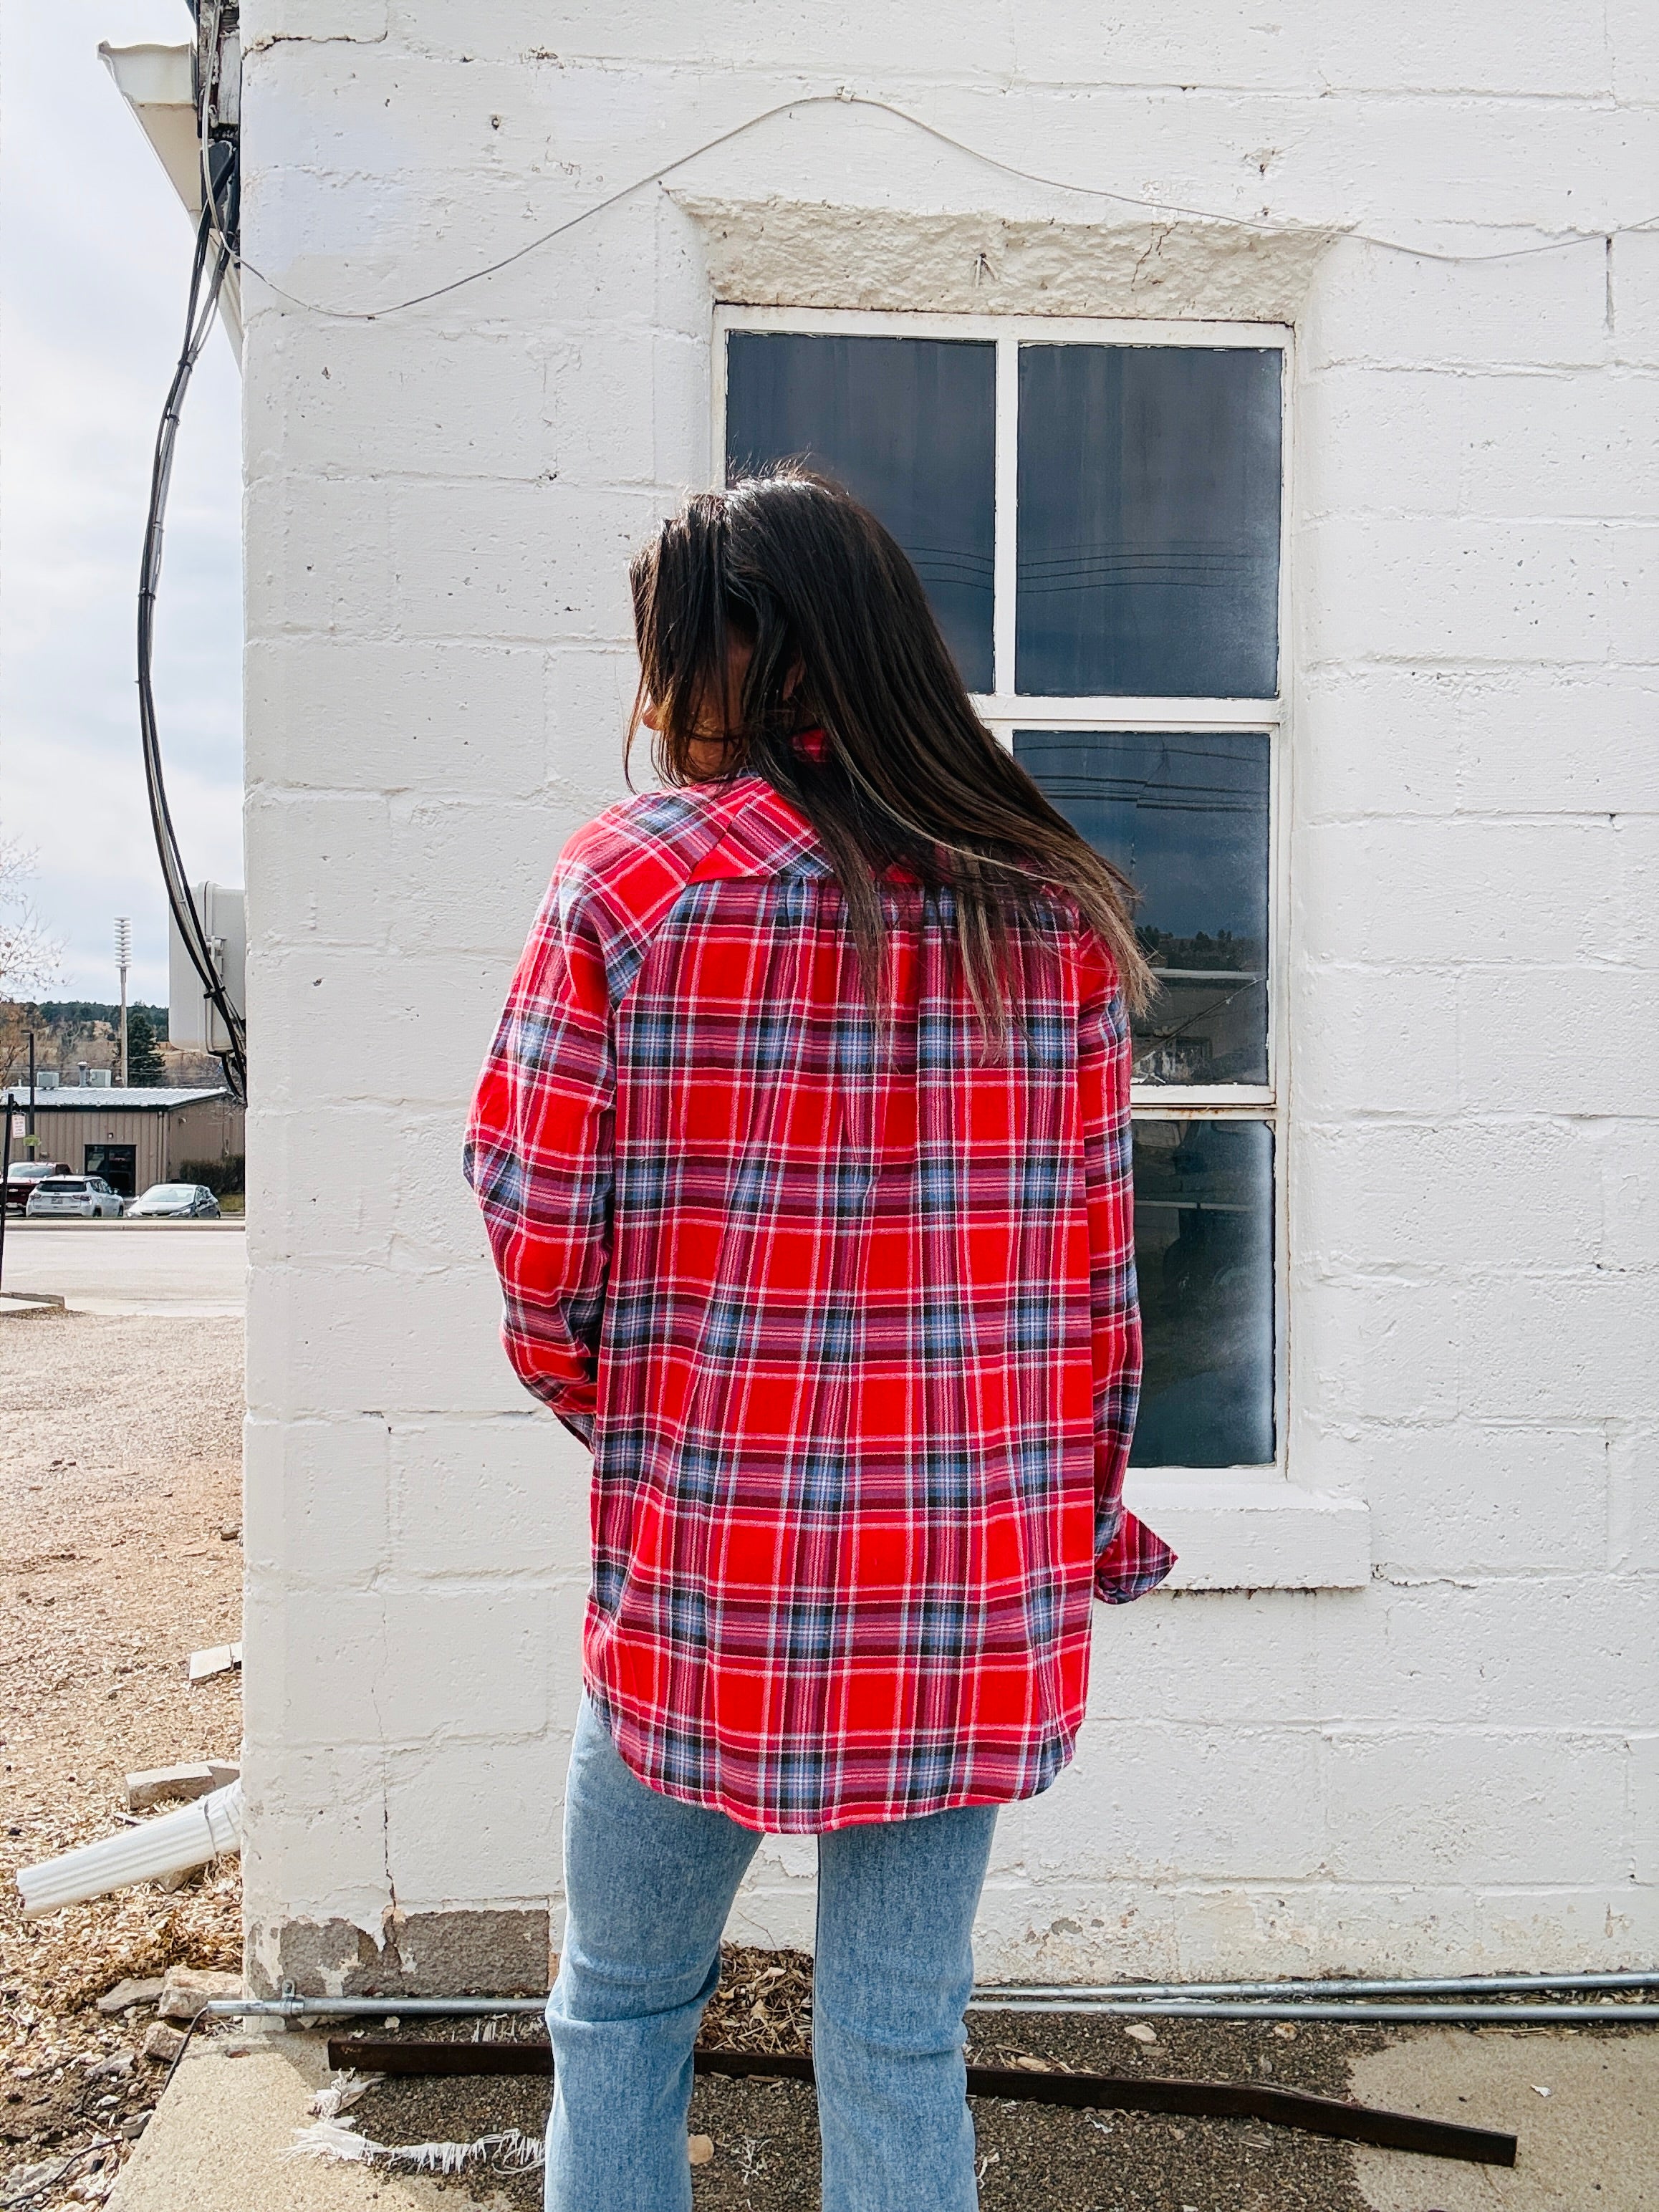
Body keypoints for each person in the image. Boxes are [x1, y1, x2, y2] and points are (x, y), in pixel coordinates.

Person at [464, 469, 1175, 2212]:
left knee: (621, 2007)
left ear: (729, 652)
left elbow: (536, 1241)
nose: (653, 704)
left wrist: (657, 1422)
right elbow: (1102, 1294)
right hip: (963, 1590)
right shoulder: (1049, 914)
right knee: (899, 2035)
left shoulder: (628, 889)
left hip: (712, 1567)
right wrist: (1060, 1514)